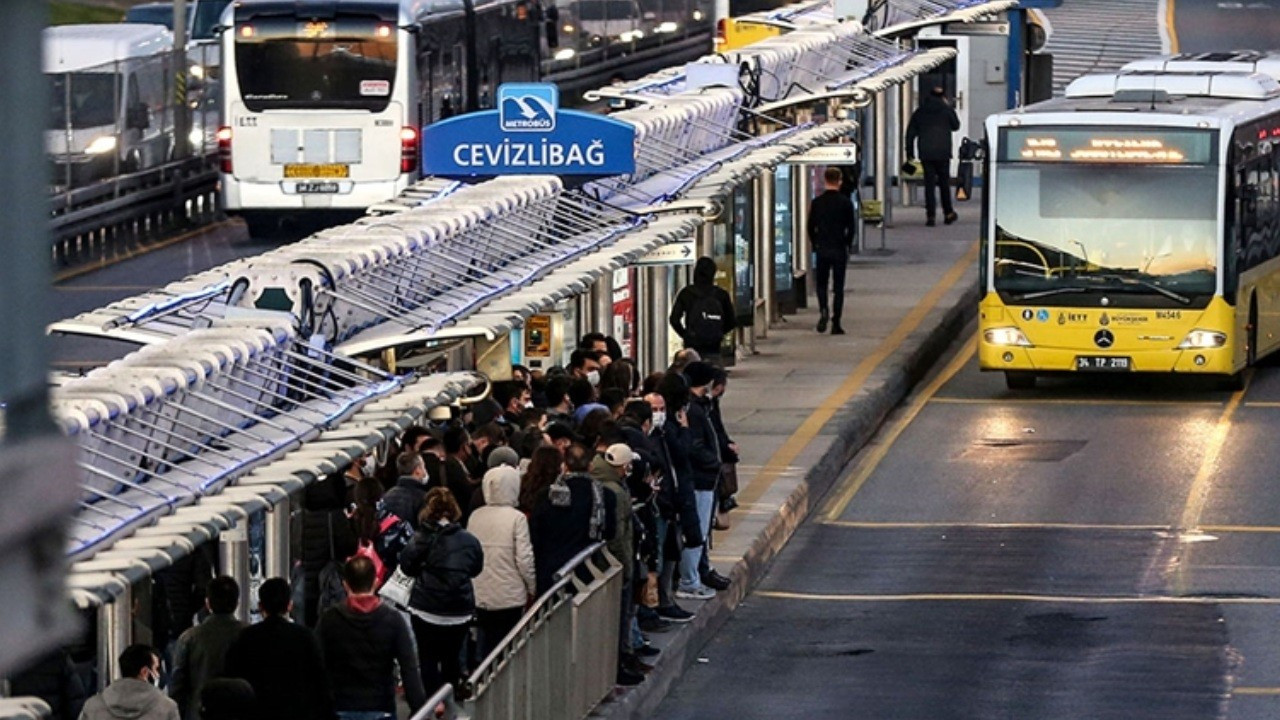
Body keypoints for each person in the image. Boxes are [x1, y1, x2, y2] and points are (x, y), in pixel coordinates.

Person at [315, 556, 427, 720]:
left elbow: (316, 664)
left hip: (340, 707)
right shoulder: (393, 620)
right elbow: (409, 669)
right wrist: (419, 707)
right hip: (381, 707)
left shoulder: (329, 619)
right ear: (376, 582)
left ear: (345, 584)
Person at [400, 488, 484, 698]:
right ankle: (449, 700)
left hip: (426, 607)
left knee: (427, 658)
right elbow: (476, 569)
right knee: (452, 658)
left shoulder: (420, 538)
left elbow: (406, 567)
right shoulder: (469, 540)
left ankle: (431, 703)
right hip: (459, 610)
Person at [224, 578, 333, 720]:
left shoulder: (246, 637)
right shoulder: (305, 637)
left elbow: (234, 679)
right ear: (289, 606)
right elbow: (320, 682)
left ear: (260, 606)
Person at [528, 444, 617, 595]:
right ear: (590, 466)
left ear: (564, 466)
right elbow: (610, 531)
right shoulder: (605, 495)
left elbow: (535, 532)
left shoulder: (547, 495)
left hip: (549, 569)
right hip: (587, 569)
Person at [467, 465, 536, 658]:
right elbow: (524, 558)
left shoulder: (475, 516)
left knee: (483, 641)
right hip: (510, 594)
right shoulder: (517, 518)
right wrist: (532, 586)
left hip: (480, 592)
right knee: (508, 646)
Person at [169, 576, 245, 720]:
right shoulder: (249, 634)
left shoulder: (189, 637)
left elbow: (177, 686)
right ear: (237, 603)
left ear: (208, 603)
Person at [807, 166, 856, 335]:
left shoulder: (817, 203)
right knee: (838, 287)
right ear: (840, 181)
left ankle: (823, 310)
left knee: (821, 284)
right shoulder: (845, 203)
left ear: (825, 180)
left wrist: (815, 243)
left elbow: (810, 227)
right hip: (839, 248)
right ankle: (836, 321)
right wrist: (847, 245)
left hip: (822, 248)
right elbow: (851, 228)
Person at [905, 85, 961, 227]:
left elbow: (910, 133)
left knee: (929, 185)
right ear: (943, 96)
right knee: (944, 183)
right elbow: (956, 126)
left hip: (926, 153)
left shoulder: (920, 111)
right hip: (943, 152)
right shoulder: (946, 110)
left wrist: (910, 153)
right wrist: (948, 107)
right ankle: (948, 213)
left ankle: (931, 216)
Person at [80, 644, 179, 720]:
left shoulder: (93, 707)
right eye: (156, 669)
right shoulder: (166, 708)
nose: (158, 674)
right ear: (144, 672)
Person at [669, 257, 736, 366]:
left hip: (692, 347)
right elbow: (732, 321)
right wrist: (718, 332)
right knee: (715, 377)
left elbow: (674, 319)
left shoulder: (687, 293)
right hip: (714, 347)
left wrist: (686, 335)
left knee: (692, 375)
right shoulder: (721, 294)